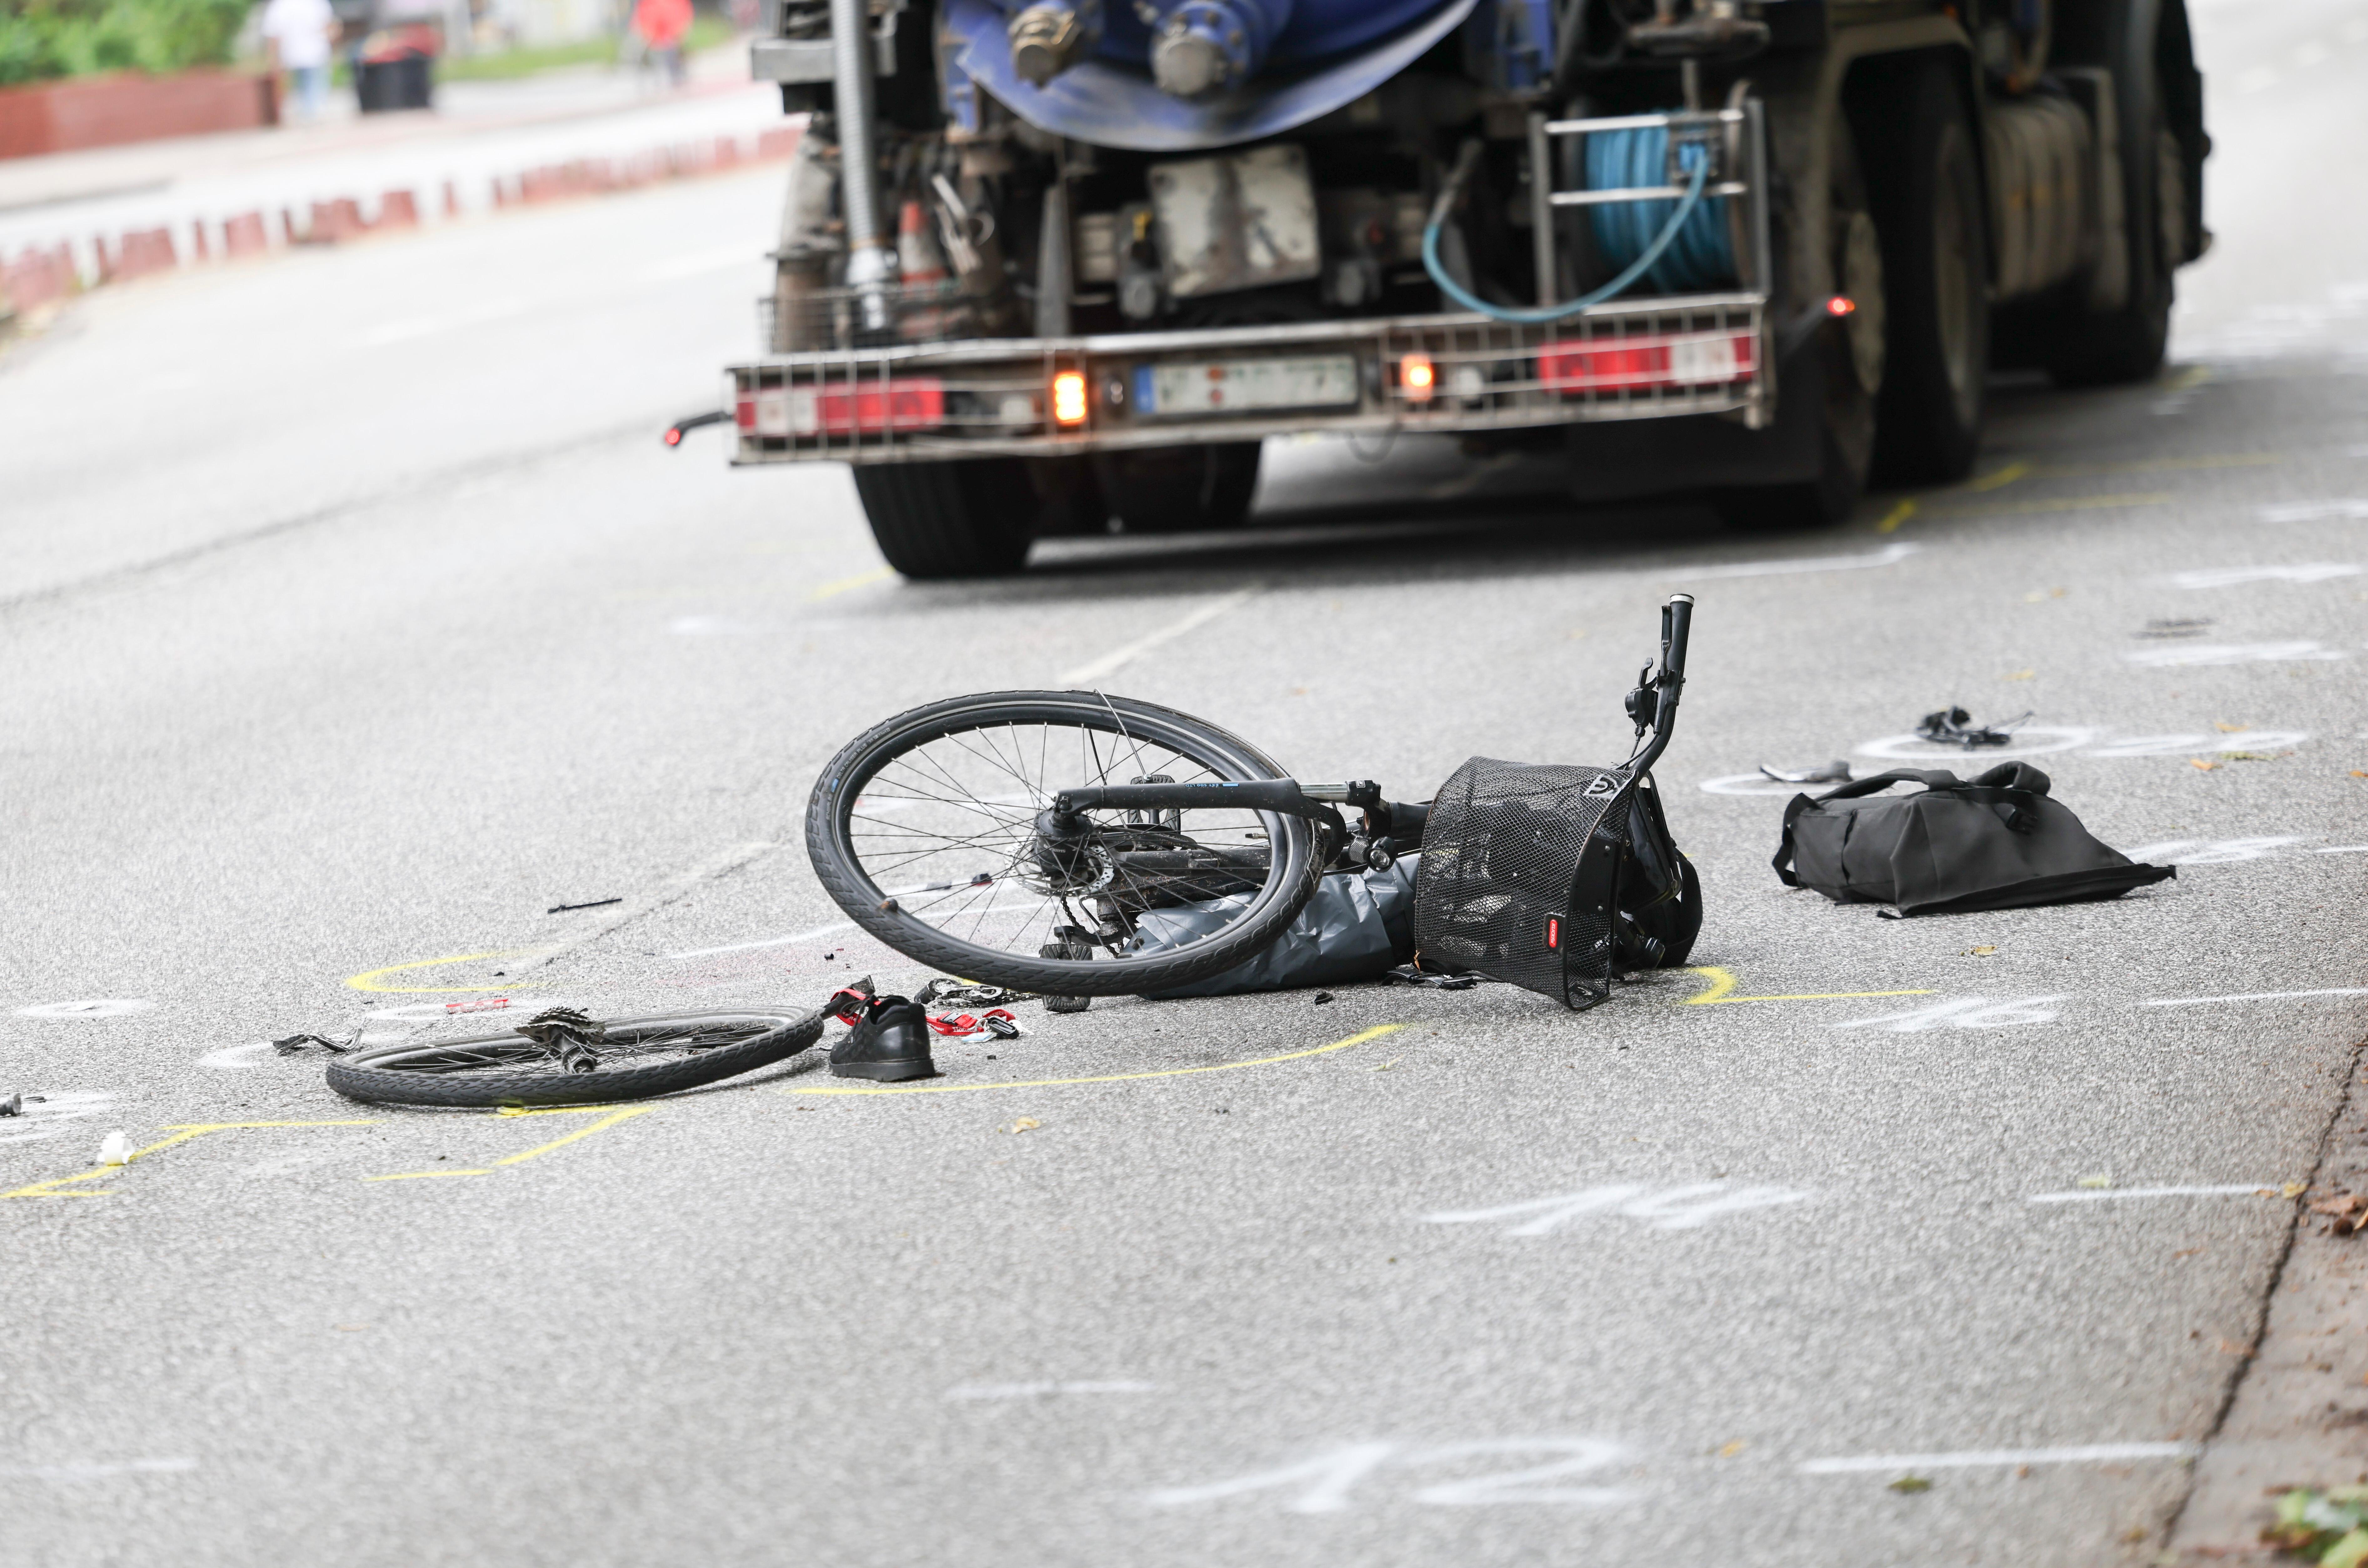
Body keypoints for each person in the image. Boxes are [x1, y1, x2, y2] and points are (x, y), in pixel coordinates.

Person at [261, 0, 340, 120]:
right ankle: (312, 113)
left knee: (297, 88)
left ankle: (306, 113)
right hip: (316, 52)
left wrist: (273, 58)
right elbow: (330, 26)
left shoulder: (279, 6)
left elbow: (273, 34)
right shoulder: (316, 3)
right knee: (314, 86)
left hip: (291, 54)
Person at [633, 0, 693, 87]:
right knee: (664, 49)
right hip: (655, 29)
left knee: (671, 46)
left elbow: (683, 9)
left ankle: (676, 74)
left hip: (670, 28)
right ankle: (671, 75)